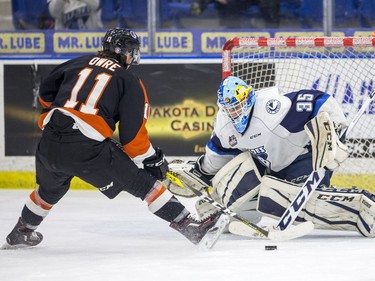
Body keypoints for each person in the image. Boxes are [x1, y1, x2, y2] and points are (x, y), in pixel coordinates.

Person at [2, 28, 228, 249]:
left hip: (48, 143)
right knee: (144, 185)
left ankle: (21, 231)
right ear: (123, 52)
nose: (133, 56)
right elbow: (132, 137)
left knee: (50, 189)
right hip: (87, 149)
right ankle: (189, 225)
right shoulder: (128, 79)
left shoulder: (77, 62)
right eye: (132, 50)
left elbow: (44, 93)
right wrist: (151, 159)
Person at [169, 76, 375, 238]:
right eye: (229, 108)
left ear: (248, 99)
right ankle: (216, 212)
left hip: (303, 160)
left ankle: (362, 208)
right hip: (269, 165)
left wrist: (335, 131)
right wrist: (198, 173)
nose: (234, 113)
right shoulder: (225, 124)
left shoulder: (270, 108)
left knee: (283, 201)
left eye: (237, 106)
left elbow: (319, 100)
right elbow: (217, 156)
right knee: (242, 167)